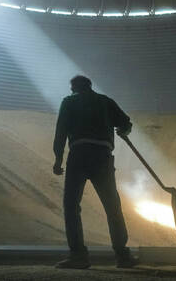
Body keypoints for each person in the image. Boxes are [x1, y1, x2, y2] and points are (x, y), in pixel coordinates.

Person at [52, 75, 138, 269]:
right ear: (90, 86)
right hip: (102, 156)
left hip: (79, 155)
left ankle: (78, 257)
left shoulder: (69, 102)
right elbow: (126, 123)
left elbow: (61, 132)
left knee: (71, 206)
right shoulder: (105, 101)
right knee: (112, 206)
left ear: (74, 88)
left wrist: (58, 159)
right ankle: (123, 256)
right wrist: (123, 130)